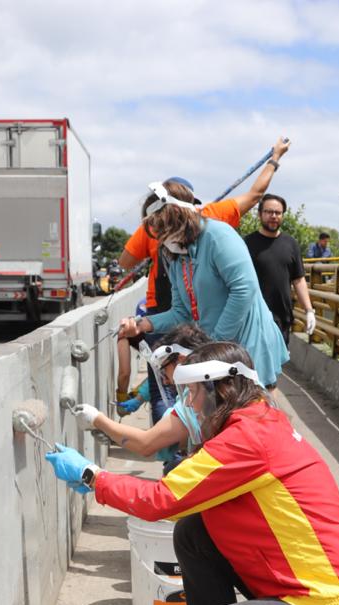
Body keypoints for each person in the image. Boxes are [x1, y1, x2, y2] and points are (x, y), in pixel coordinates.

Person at [44, 342, 339, 605]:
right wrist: (104, 482)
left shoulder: (247, 440)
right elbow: (181, 498)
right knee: (194, 533)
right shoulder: (259, 421)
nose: (191, 404)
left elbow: (159, 499)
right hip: (308, 586)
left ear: (223, 389)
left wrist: (93, 476)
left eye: (194, 392)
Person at [118, 138, 291, 419]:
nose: (160, 238)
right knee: (222, 418)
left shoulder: (218, 236)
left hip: (247, 342)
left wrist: (213, 345)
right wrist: (144, 324)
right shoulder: (174, 254)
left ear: (178, 217)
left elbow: (243, 289)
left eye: (162, 228)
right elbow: (181, 311)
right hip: (214, 348)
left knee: (255, 415)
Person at [74, 325, 212, 459]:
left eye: (164, 369)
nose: (165, 381)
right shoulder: (212, 379)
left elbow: (146, 444)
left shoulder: (192, 399)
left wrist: (96, 419)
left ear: (181, 360)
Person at [243, 194, 314, 344]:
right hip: (254, 318)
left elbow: (299, 280)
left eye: (278, 213)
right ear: (259, 214)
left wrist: (309, 310)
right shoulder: (247, 243)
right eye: (269, 212)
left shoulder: (291, 244)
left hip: (282, 319)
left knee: (280, 359)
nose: (273, 216)